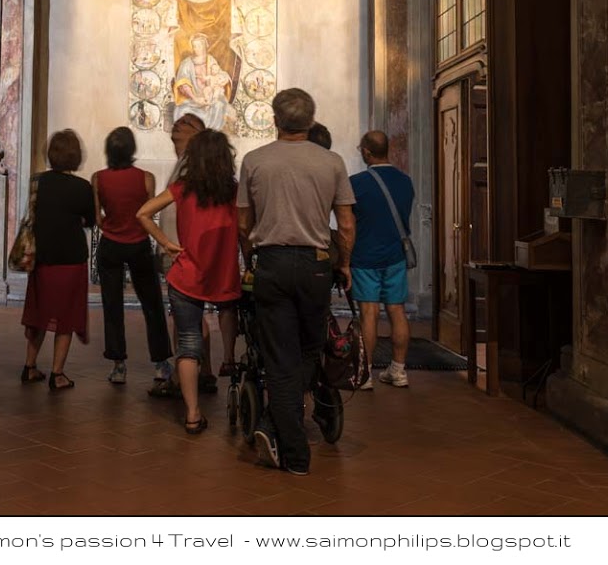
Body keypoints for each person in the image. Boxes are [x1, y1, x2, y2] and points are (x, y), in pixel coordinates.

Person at [237, 87, 356, 476]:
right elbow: (346, 224)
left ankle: (282, 436)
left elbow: (243, 223)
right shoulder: (331, 162)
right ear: (311, 120)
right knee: (309, 348)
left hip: (270, 263)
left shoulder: (255, 160)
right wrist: (345, 263)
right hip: (315, 264)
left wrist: (250, 257)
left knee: (278, 356)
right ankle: (289, 442)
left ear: (275, 120)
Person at [137, 128, 240, 436]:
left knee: (188, 343)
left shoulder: (182, 189)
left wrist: (166, 242)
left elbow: (143, 213)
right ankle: (229, 358)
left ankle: (193, 414)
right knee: (228, 309)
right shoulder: (234, 192)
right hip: (223, 272)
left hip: (187, 275)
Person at [92, 126, 173, 388]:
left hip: (111, 245)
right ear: (131, 149)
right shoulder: (147, 178)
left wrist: (112, 224)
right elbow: (148, 214)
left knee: (112, 305)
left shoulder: (98, 178)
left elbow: (98, 218)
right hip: (138, 244)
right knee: (152, 304)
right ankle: (161, 363)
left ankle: (118, 366)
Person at [20, 129, 95, 389]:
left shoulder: (38, 182)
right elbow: (91, 220)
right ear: (76, 155)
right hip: (71, 259)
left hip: (42, 257)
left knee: (38, 314)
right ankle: (57, 373)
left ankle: (30, 366)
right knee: (66, 317)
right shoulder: (82, 187)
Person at [349, 130, 415, 390]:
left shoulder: (356, 183)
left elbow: (348, 223)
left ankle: (365, 374)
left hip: (365, 255)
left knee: (369, 313)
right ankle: (398, 370)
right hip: (395, 255)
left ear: (366, 152)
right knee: (397, 310)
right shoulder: (405, 182)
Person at [172, 32, 231, 129]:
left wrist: (222, 79)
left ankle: (211, 131)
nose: (196, 49)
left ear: (205, 46)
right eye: (194, 46)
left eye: (199, 46)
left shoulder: (211, 60)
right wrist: (195, 98)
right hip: (192, 99)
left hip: (210, 97)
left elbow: (219, 75)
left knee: (219, 106)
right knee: (180, 111)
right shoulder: (186, 63)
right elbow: (183, 83)